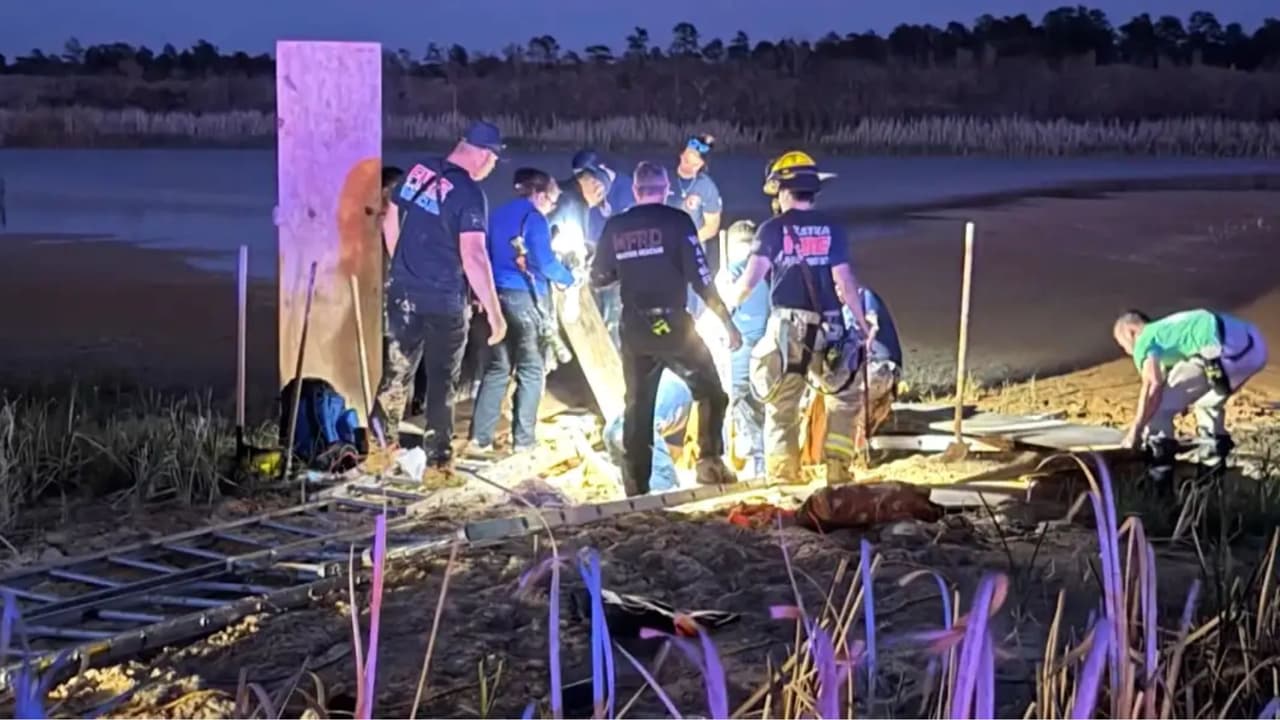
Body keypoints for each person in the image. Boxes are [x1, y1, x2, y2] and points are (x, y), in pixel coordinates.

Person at [591, 161, 742, 496]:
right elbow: (701, 278)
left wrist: (630, 265)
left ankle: (635, 486)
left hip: (635, 328)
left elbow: (599, 277)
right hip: (674, 326)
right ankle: (709, 461)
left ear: (635, 191)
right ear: (666, 190)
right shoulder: (678, 221)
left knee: (638, 407)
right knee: (711, 392)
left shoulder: (616, 226)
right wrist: (727, 322)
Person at [728, 151, 873, 485]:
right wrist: (863, 323)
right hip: (830, 325)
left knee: (782, 402)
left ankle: (783, 474)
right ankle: (837, 469)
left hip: (788, 328)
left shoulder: (771, 230)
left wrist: (725, 311)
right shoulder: (833, 228)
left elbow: (749, 282)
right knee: (842, 396)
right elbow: (845, 281)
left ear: (781, 190)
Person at [374, 121, 506, 483]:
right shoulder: (469, 194)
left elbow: (390, 216)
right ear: (483, 155)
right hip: (444, 299)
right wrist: (494, 312)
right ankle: (439, 464)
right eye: (494, 160)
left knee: (397, 371)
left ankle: (378, 449)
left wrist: (401, 262)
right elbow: (474, 254)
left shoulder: (419, 170)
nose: (492, 167)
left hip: (403, 293)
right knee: (441, 382)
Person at [468, 169, 575, 455]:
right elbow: (545, 262)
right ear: (539, 195)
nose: (551, 207)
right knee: (531, 368)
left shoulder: (497, 215)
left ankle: (479, 440)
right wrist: (569, 279)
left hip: (495, 297)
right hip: (525, 298)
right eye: (551, 200)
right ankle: (524, 441)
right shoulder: (534, 218)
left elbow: (483, 255)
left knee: (497, 369)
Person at [1112, 308, 1269, 485]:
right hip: (1253, 347)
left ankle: (1159, 481)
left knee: (1157, 411)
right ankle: (1210, 477)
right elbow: (1171, 376)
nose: (1125, 350)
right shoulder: (1168, 330)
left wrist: (1136, 430)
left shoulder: (1145, 340)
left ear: (1130, 331)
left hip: (1218, 349)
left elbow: (1152, 386)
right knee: (1207, 404)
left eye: (1121, 343)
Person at [719, 219, 771, 477]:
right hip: (765, 345)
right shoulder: (762, 274)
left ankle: (755, 461)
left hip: (741, 346)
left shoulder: (732, 272)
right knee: (759, 401)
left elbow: (722, 308)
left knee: (740, 399)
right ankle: (761, 459)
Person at [603, 370, 694, 493]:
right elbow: (673, 449)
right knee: (665, 491)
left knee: (636, 489)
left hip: (616, 429)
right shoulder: (684, 397)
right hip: (636, 432)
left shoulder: (668, 380)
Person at [842, 286, 905, 453]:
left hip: (880, 364)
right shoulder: (841, 311)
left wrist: (864, 348)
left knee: (855, 396)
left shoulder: (864, 297)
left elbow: (871, 328)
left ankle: (858, 449)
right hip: (861, 368)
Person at [668, 134, 723, 244]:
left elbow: (711, 227)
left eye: (695, 161)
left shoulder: (707, 187)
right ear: (681, 154)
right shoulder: (663, 177)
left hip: (692, 245)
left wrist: (688, 241)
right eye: (688, 156)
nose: (689, 159)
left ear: (701, 164)